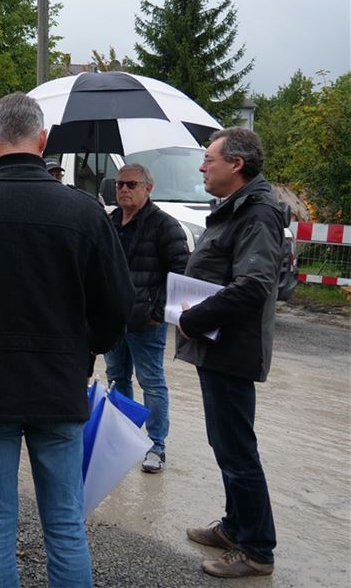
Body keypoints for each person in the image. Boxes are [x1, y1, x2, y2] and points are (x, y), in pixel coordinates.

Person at [0, 93, 133, 587]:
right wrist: (85, 352)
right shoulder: (85, 214)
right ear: (43, 141)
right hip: (58, 386)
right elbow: (117, 306)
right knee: (64, 523)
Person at [178, 127, 284, 579]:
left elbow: (256, 286)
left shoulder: (257, 213)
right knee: (225, 444)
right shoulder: (236, 208)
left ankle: (257, 550)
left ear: (236, 165)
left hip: (231, 349)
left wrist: (193, 318)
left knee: (238, 449)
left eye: (209, 159)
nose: (203, 166)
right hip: (217, 347)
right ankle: (236, 526)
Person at [103, 163, 188, 473]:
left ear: (148, 188)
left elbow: (179, 273)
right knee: (116, 379)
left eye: (131, 184)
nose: (124, 189)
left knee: (151, 382)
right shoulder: (109, 221)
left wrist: (158, 313)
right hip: (114, 320)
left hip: (146, 323)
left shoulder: (165, 226)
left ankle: (156, 446)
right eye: (120, 184)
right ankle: (123, 438)